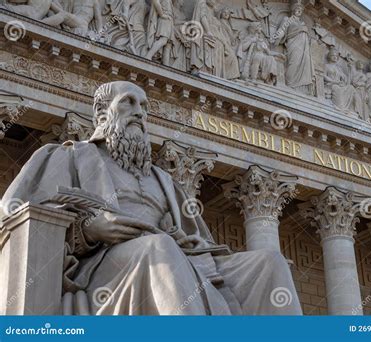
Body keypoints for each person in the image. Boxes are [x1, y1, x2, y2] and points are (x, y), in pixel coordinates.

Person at [2, 81, 302, 315]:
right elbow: (12, 216)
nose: (139, 112)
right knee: (159, 248)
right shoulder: (67, 156)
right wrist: (87, 232)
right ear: (102, 114)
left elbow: (198, 240)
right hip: (100, 265)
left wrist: (190, 242)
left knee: (269, 263)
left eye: (144, 106)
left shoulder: (165, 180)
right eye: (128, 103)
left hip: (176, 259)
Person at [272, 2, 314, 94]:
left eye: (301, 10)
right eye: (297, 9)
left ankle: (301, 88)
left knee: (304, 64)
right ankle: (290, 84)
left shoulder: (302, 23)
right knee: (293, 63)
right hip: (293, 45)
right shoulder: (288, 19)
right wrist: (277, 37)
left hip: (304, 48)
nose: (299, 11)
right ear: (293, 10)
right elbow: (282, 30)